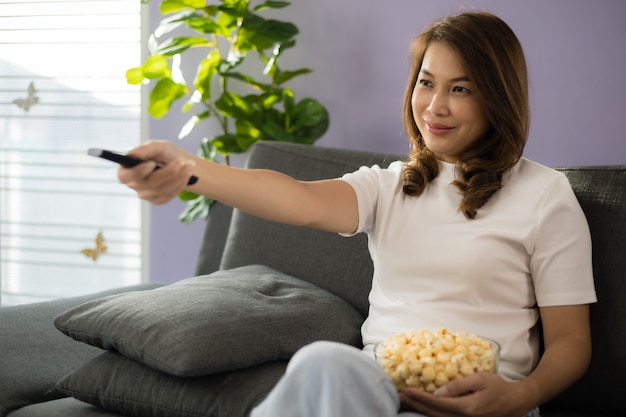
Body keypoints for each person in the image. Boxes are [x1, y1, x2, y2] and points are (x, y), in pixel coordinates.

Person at [119, 11, 596, 417]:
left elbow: (571, 341)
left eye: (461, 89)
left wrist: (520, 395)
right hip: (377, 393)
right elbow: (297, 200)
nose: (435, 106)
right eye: (426, 83)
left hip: (486, 402)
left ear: (497, 97)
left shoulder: (545, 195)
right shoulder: (391, 185)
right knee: (323, 361)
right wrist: (187, 169)